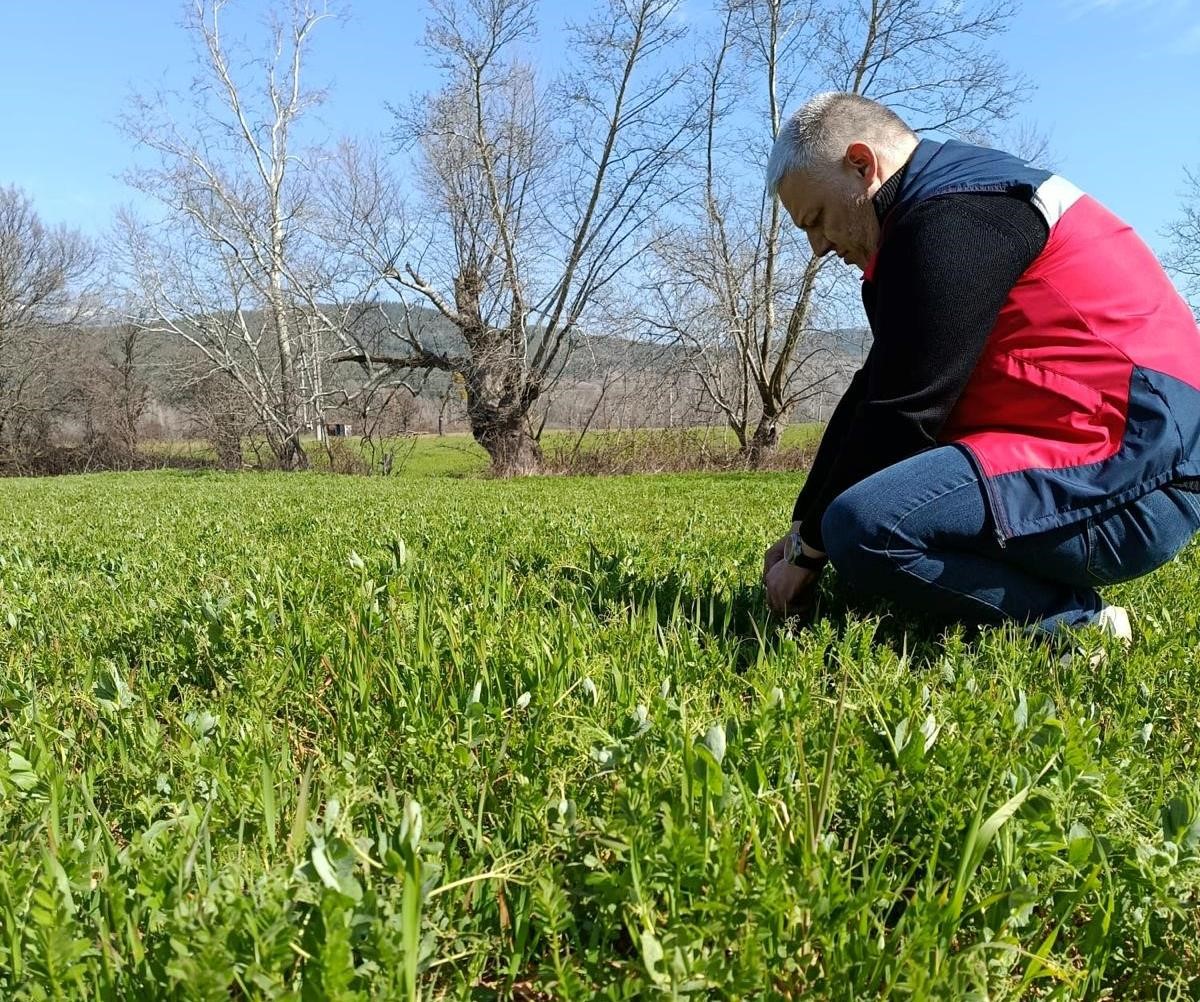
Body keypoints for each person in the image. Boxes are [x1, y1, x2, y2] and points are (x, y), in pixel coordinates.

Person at [761, 92, 1200, 643]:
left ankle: (1074, 626)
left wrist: (813, 549)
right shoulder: (939, 207)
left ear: (862, 164)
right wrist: (804, 527)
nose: (818, 246)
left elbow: (905, 409)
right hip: (1103, 460)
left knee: (865, 529)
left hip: (1145, 485)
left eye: (818, 219)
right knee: (851, 531)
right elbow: (872, 391)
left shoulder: (958, 220)